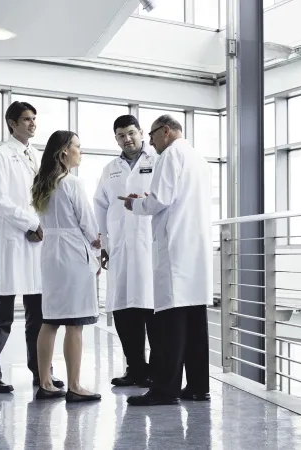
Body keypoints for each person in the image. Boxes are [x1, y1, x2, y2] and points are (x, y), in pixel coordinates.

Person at [117, 115, 213, 406]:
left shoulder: (170, 154)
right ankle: (197, 387)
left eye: (154, 135)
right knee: (196, 324)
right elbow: (177, 198)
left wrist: (134, 203)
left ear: (166, 131)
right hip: (194, 248)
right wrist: (151, 197)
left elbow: (160, 201)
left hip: (175, 249)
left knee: (170, 326)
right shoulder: (198, 158)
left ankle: (165, 389)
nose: (152, 142)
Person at [0, 101, 64, 394]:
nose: (32, 124)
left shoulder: (34, 155)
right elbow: (0, 201)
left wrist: (40, 225)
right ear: (12, 123)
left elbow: (42, 194)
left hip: (36, 241)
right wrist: (30, 224)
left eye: (34, 119)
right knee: (2, 312)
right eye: (26, 119)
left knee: (38, 314)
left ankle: (42, 373)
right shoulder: (0, 156)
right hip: (14, 239)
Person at [31, 130, 103, 402]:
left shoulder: (41, 183)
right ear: (64, 151)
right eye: (77, 147)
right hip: (73, 254)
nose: (80, 152)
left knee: (49, 320)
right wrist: (98, 245)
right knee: (75, 323)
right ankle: (74, 385)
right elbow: (88, 224)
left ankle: (46, 383)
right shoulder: (72, 183)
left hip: (51, 254)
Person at [92, 115, 157, 388]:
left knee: (152, 310)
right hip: (119, 248)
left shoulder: (157, 161)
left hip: (151, 246)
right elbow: (99, 206)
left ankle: (157, 370)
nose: (127, 139)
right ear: (116, 139)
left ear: (141, 132)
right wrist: (103, 244)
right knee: (123, 310)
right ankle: (135, 368)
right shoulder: (111, 169)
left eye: (131, 133)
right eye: (121, 135)